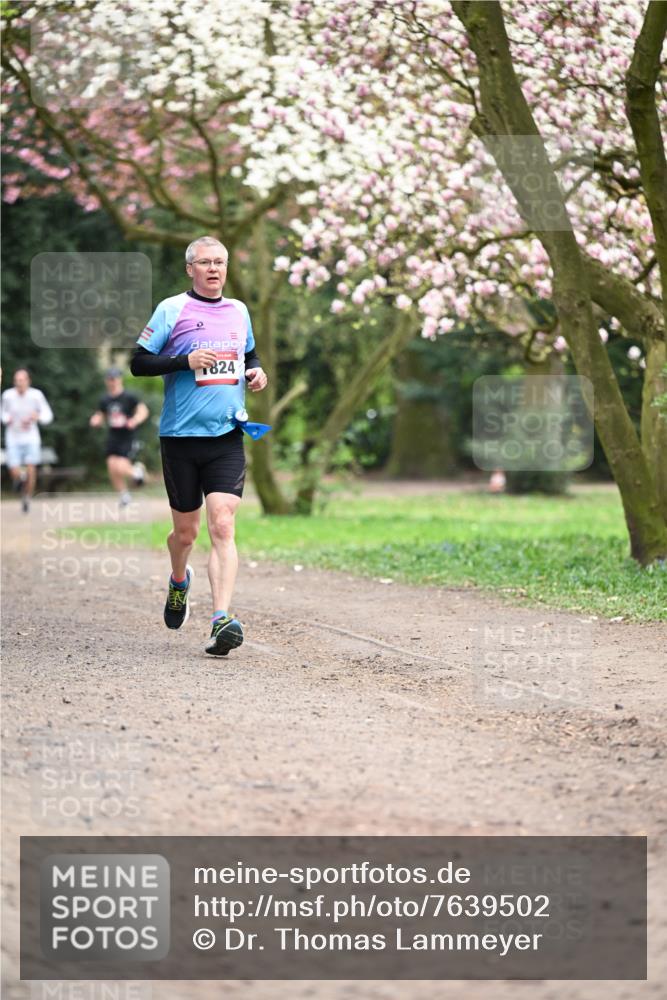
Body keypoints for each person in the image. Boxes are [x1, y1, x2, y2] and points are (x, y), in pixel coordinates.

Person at [130, 236, 267, 656]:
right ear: (190, 269)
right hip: (180, 439)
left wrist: (256, 372)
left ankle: (220, 619)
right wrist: (183, 362)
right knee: (186, 534)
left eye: (220, 262)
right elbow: (138, 362)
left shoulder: (239, 310)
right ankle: (178, 581)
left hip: (227, 436)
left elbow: (250, 354)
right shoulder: (172, 309)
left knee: (222, 524)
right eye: (205, 262)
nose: (213, 269)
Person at [89, 367, 149, 506]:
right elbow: (101, 415)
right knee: (111, 466)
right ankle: (124, 495)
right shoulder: (105, 399)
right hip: (113, 435)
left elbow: (143, 411)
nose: (112, 381)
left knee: (121, 466)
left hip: (128, 436)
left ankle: (137, 471)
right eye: (110, 379)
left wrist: (135, 420)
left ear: (120, 379)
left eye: (115, 378)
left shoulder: (129, 397)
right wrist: (96, 420)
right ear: (106, 381)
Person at [1, 368, 54, 513]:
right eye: (17, 380)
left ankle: (27, 498)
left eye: (22, 380)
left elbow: (48, 415)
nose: (19, 383)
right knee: (14, 470)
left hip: (31, 437)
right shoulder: (8, 396)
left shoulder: (36, 395)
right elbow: (2, 413)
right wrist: (7, 419)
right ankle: (20, 479)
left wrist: (38, 417)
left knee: (31, 469)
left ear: (28, 381)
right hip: (13, 437)